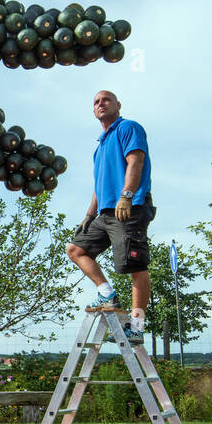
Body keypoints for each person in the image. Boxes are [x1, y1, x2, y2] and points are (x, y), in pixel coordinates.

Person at [66, 91, 155, 345]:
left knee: (135, 266)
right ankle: (106, 294)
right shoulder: (100, 146)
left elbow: (135, 162)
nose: (100, 104)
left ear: (118, 105)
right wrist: (89, 214)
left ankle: (136, 328)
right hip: (104, 213)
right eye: (95, 102)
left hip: (130, 207)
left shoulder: (128, 128)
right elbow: (98, 185)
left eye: (106, 99)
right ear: (94, 111)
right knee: (75, 249)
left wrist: (126, 195)